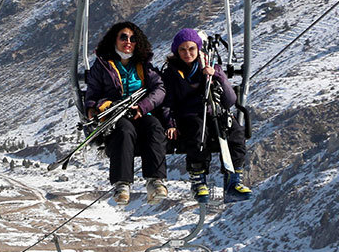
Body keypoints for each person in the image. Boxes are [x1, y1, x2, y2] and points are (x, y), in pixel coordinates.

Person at [160, 27, 251, 201]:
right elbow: (167, 102)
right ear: (177, 52)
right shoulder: (171, 73)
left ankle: (233, 179)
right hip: (189, 114)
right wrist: (170, 123)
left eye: (191, 49)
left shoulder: (210, 67)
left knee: (236, 133)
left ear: (198, 48)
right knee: (197, 133)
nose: (187, 53)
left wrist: (217, 75)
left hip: (214, 111)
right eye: (183, 50)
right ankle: (198, 179)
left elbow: (230, 99)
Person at [84, 21, 168, 205]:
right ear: (115, 40)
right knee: (124, 131)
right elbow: (93, 91)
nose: (128, 42)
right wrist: (93, 108)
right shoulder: (103, 65)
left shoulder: (144, 65)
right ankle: (122, 184)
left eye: (132, 38)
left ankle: (155, 181)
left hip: (140, 111)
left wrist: (143, 106)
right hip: (116, 115)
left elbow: (159, 89)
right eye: (123, 37)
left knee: (154, 127)